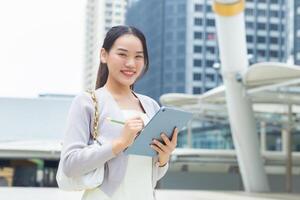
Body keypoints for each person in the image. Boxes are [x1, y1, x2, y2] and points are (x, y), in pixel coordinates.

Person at [59, 25, 178, 200]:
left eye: (138, 56)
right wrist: (120, 143)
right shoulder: (87, 102)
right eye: (122, 54)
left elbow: (153, 174)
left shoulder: (151, 105)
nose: (131, 63)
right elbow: (70, 164)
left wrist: (164, 156)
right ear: (104, 55)